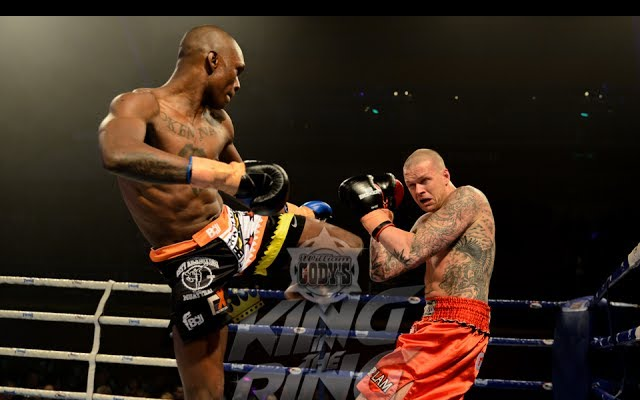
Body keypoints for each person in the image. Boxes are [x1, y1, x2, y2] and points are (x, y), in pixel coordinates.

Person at [98, 24, 363, 400]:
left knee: (346, 247)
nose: (237, 84)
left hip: (235, 228)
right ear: (212, 60)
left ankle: (277, 306)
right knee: (205, 393)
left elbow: (250, 190)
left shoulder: (220, 122)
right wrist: (218, 174)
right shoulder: (141, 105)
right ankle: (238, 311)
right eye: (235, 72)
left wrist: (295, 212)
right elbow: (117, 154)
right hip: (191, 254)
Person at [339, 148, 495, 400]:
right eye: (411, 185)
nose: (419, 190)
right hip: (433, 321)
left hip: (455, 326)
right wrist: (383, 211)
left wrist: (372, 215)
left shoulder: (468, 198)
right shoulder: (425, 223)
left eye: (425, 181)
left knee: (375, 395)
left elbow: (411, 251)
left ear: (445, 175)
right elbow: (381, 270)